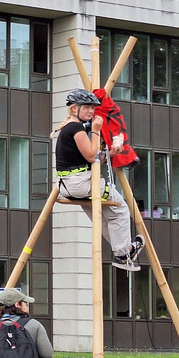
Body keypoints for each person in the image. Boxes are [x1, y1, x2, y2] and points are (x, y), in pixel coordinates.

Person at [55, 88, 144, 271]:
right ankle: (123, 254)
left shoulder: (68, 128)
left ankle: (124, 251)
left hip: (69, 184)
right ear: (74, 109)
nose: (91, 111)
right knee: (120, 208)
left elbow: (93, 158)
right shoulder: (76, 128)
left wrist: (110, 153)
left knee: (102, 217)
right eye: (87, 107)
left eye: (93, 108)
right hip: (81, 183)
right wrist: (95, 131)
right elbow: (90, 156)